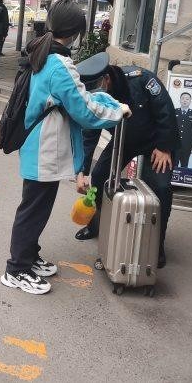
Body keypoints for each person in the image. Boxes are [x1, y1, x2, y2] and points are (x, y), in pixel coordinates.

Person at [1, 0, 129, 295]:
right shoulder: (59, 65)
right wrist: (117, 110)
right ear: (74, 32)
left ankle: (29, 256)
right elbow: (84, 109)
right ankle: (16, 269)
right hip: (44, 149)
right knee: (33, 210)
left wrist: (107, 102)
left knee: (36, 206)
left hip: (39, 146)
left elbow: (77, 99)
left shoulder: (42, 52)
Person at [74, 53, 179, 268]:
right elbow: (89, 135)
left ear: (106, 79)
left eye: (97, 88)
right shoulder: (94, 96)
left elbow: (166, 111)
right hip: (124, 140)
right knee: (100, 176)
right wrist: (82, 171)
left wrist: (164, 147)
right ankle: (96, 225)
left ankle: (156, 245)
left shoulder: (142, 79)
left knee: (161, 188)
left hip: (156, 142)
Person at [176, 92, 192, 167]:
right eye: (183, 98)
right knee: (173, 165)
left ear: (190, 101)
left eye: (187, 99)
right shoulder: (174, 111)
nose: (185, 100)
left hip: (187, 145)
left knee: (184, 165)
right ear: (180, 100)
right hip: (174, 144)